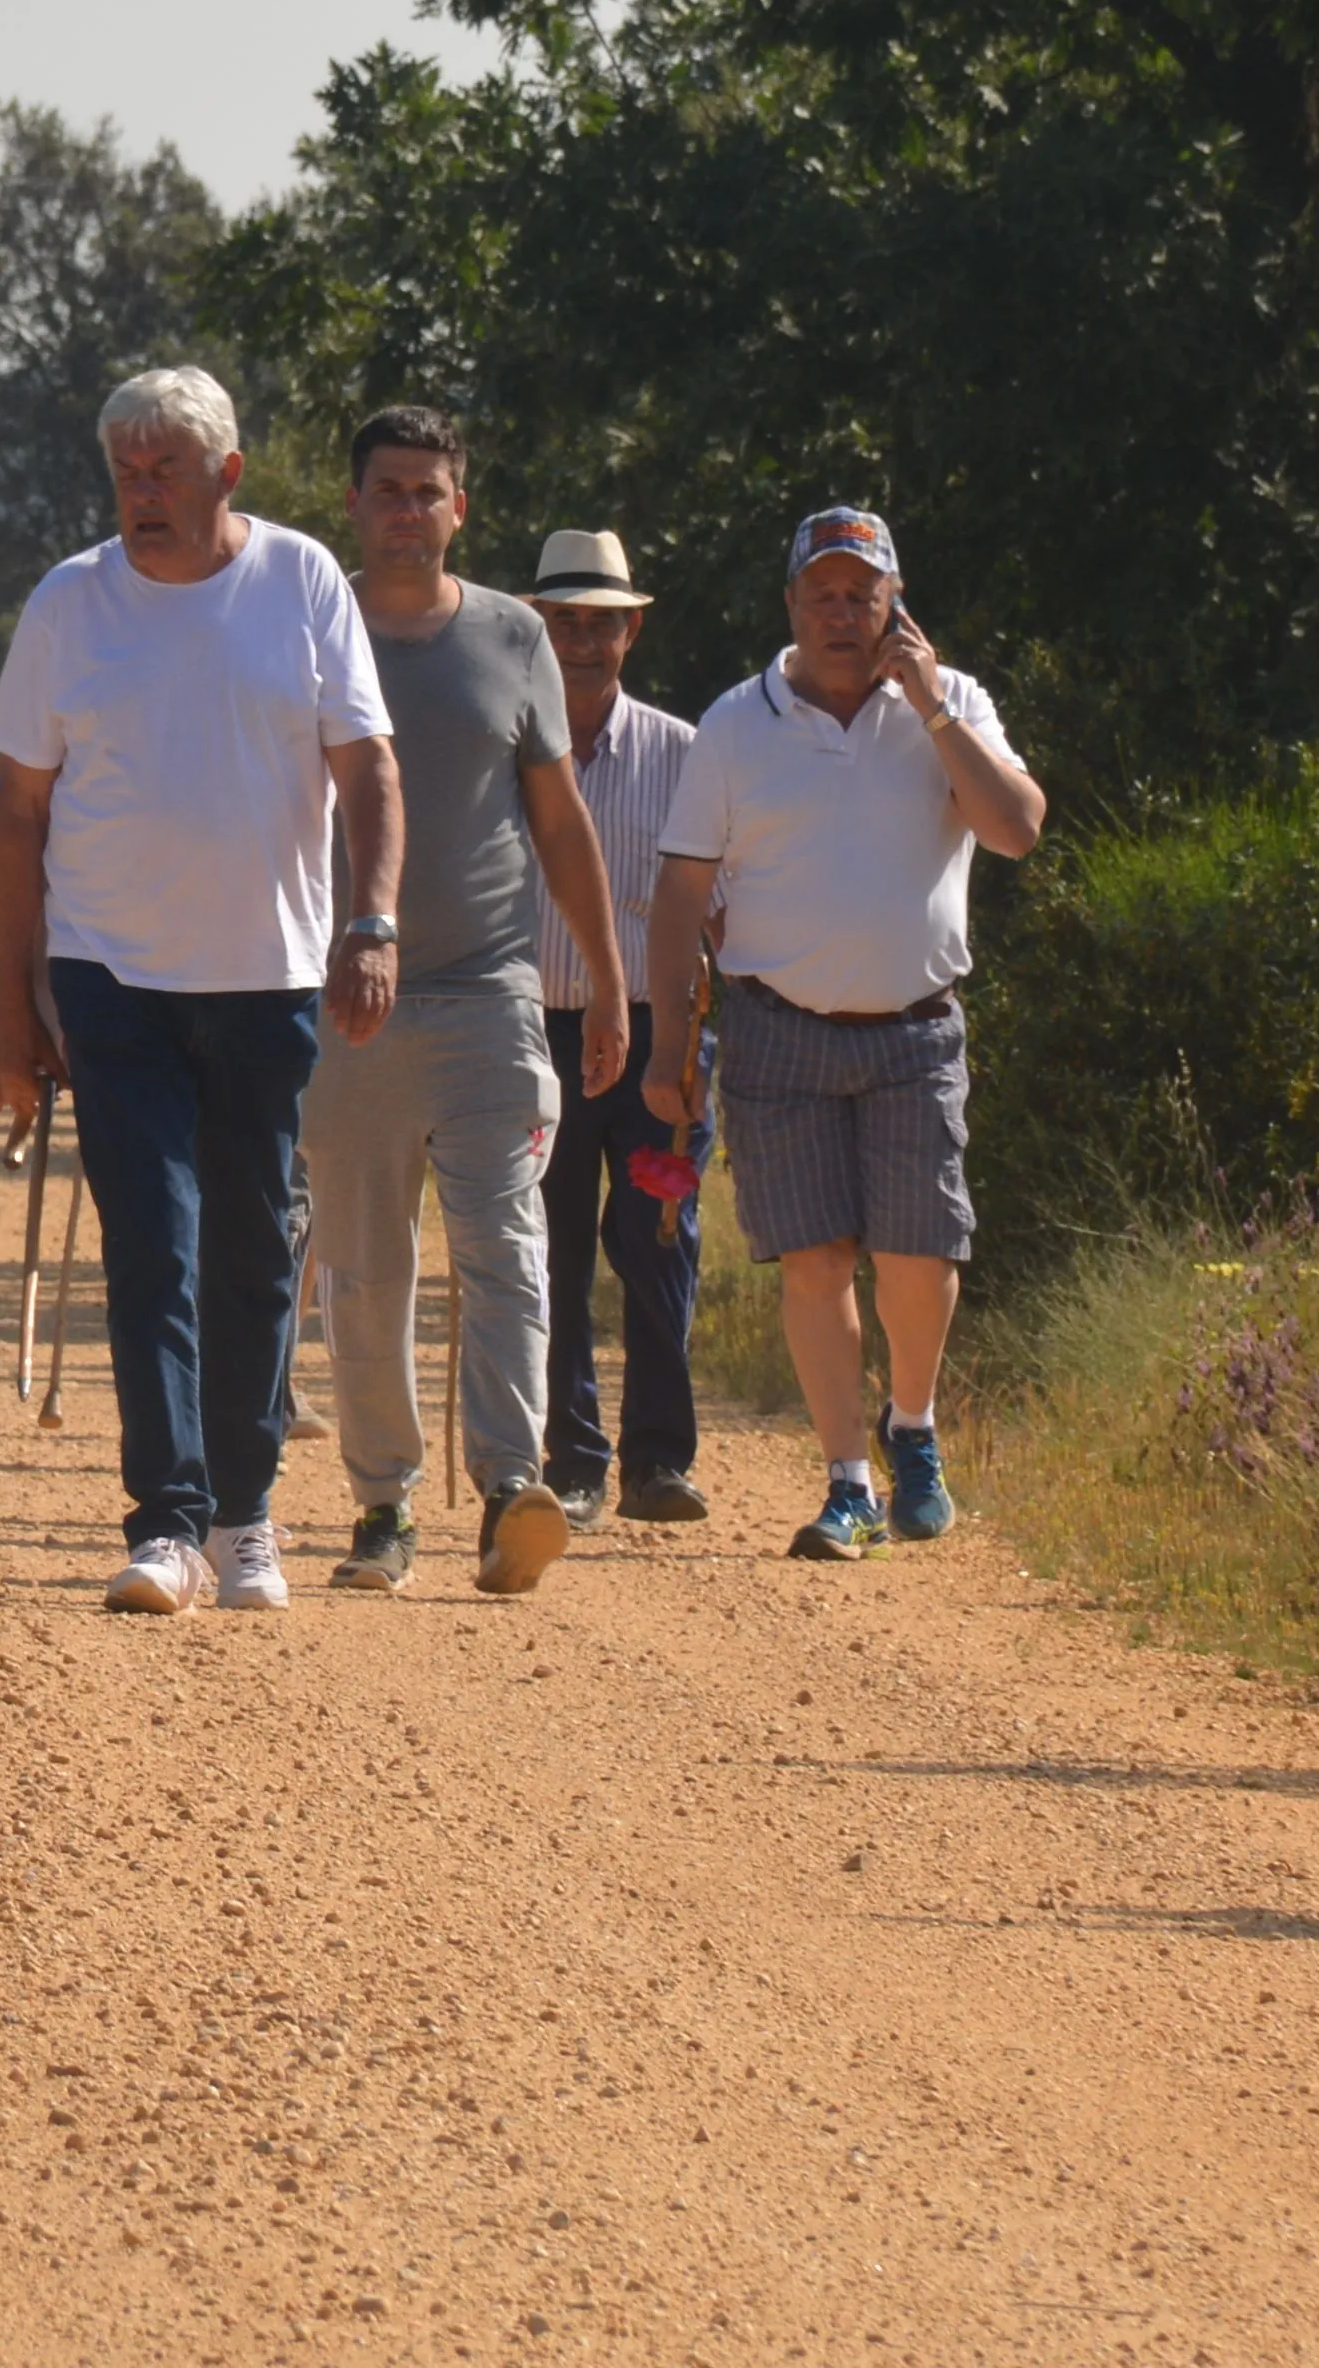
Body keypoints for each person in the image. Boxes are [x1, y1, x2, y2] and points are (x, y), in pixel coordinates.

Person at [0, 369, 400, 1617]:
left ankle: (247, 1516)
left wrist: (372, 921)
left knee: (253, 1249)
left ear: (227, 473)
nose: (142, 492)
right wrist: (4, 1007)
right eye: (126, 472)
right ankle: (166, 1521)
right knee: (153, 1243)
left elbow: (367, 768)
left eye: (166, 469)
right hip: (112, 976)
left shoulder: (302, 580)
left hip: (268, 972)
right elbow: (17, 815)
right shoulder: (70, 600)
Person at [643, 507, 1047, 1561]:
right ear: (790, 604)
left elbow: (1016, 828)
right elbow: (681, 891)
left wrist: (931, 703)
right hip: (776, 1029)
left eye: (861, 594)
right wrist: (667, 1043)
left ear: (894, 604)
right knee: (814, 1261)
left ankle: (911, 1425)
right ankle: (847, 1483)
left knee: (920, 1250)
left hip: (915, 1030)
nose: (840, 612)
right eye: (820, 593)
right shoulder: (738, 721)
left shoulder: (953, 701)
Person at [302, 411, 633, 1599]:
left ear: (460, 507)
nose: (408, 509)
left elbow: (559, 818)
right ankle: (383, 1502)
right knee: (365, 1268)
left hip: (491, 991)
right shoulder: (309, 627)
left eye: (427, 490)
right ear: (354, 503)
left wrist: (604, 978)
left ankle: (508, 1486)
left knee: (507, 1244)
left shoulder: (511, 635)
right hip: (345, 1002)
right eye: (388, 488)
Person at [525, 528, 712, 1531]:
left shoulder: (686, 755)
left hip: (658, 1045)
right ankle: (574, 1462)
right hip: (534, 1041)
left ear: (632, 632)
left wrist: (695, 1040)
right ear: (535, 627)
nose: (583, 642)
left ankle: (658, 1460)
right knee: (548, 1250)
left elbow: (723, 906)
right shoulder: (506, 751)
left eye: (602, 623)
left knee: (657, 1241)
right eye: (564, 621)